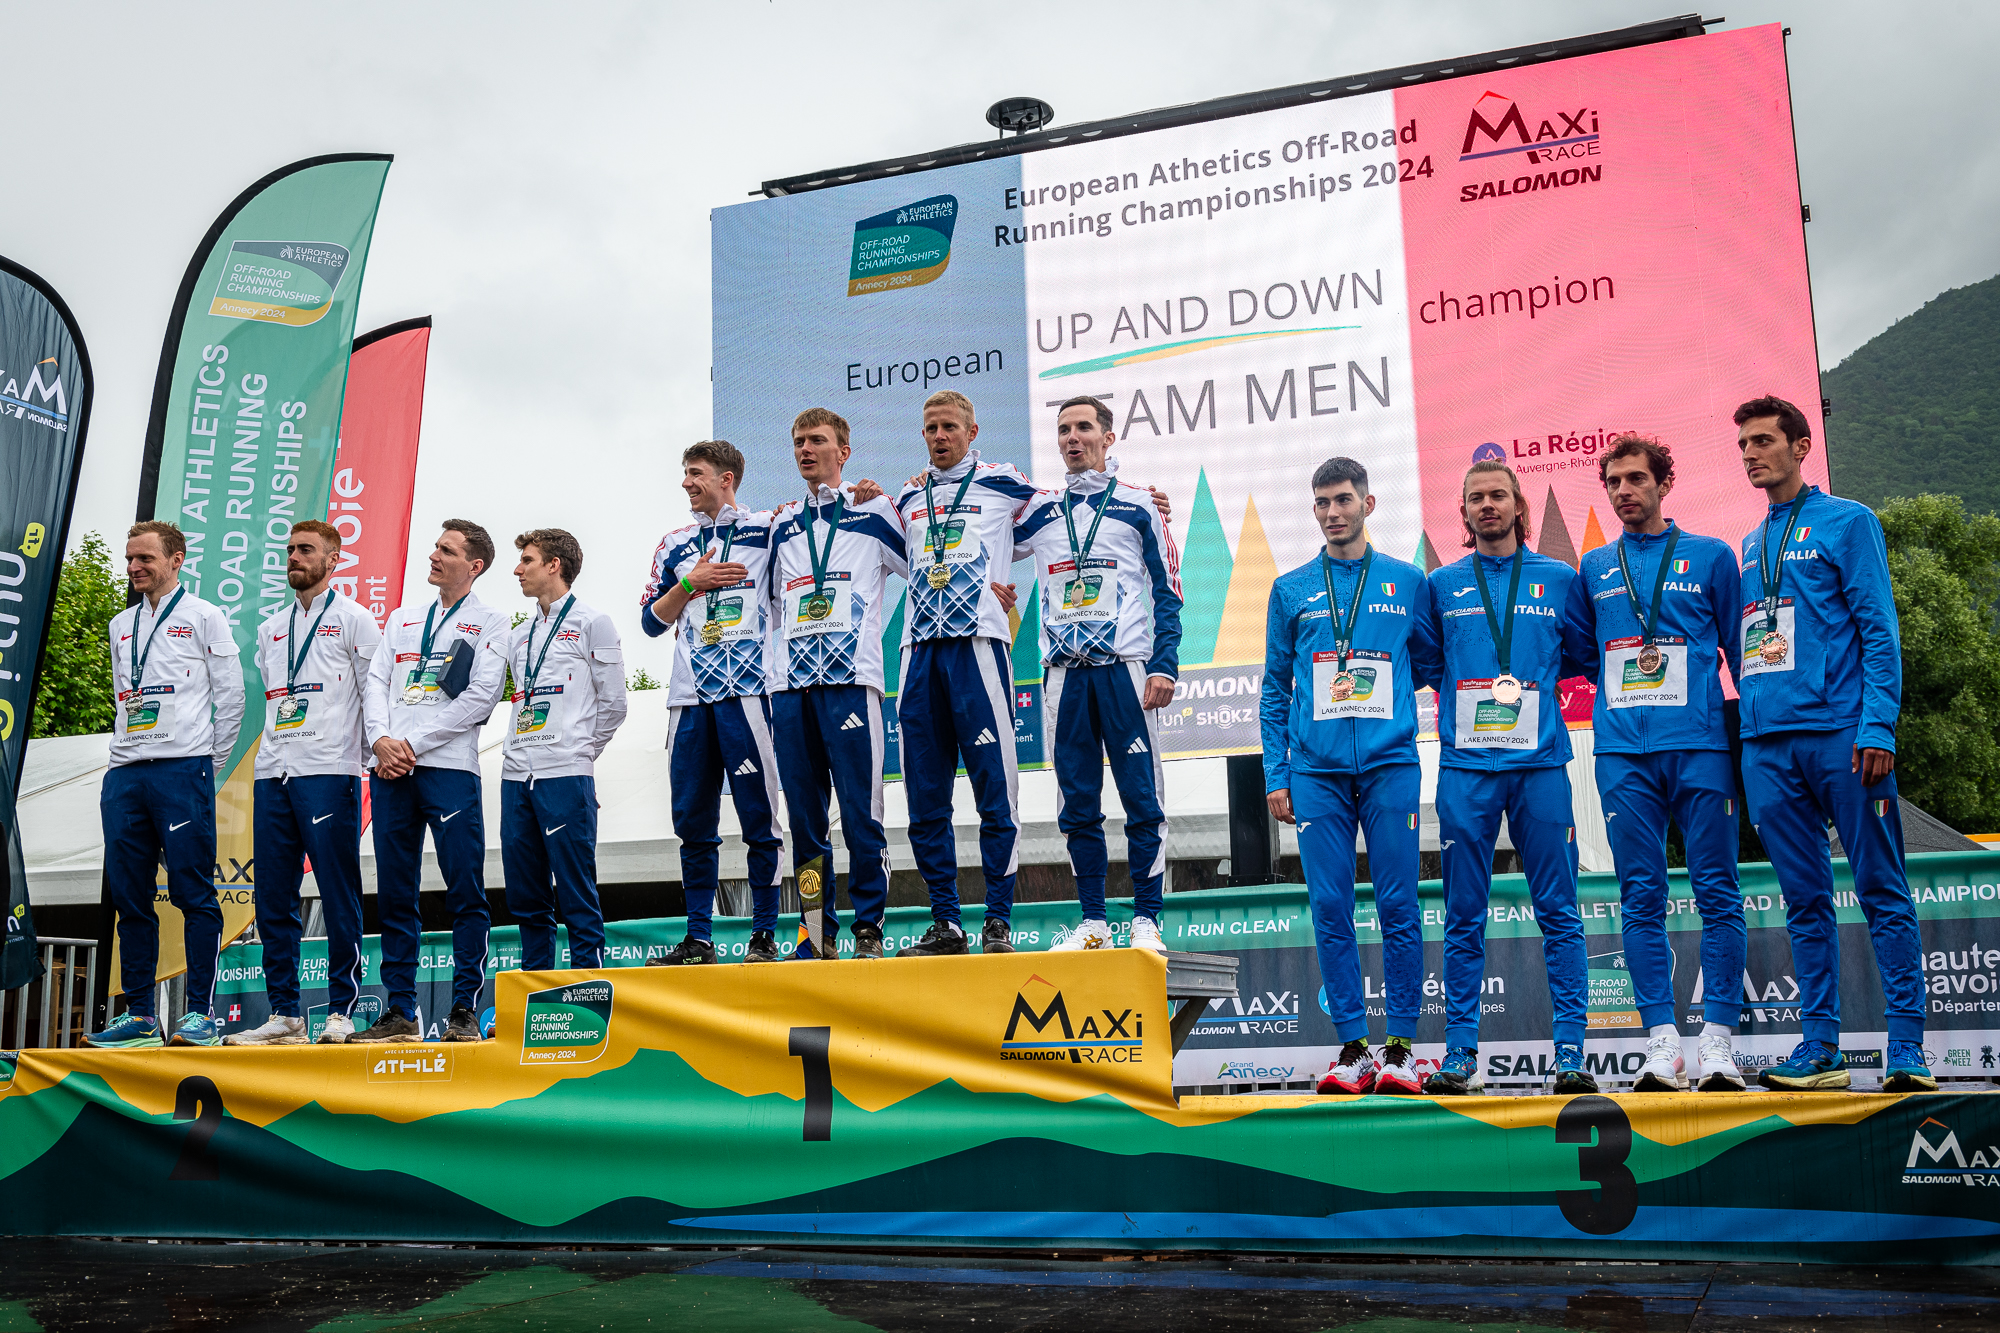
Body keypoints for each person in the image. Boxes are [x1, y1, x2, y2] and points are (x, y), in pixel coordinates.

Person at [1732, 395, 1932, 1091]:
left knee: (1880, 887)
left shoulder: (1849, 521)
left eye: (1763, 440)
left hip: (1843, 737)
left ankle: (1908, 1048)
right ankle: (1820, 1049)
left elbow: (1879, 628)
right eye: (1744, 445)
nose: (1751, 454)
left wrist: (1878, 724)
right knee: (1804, 900)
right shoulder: (1750, 543)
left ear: (1801, 446)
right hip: (1768, 746)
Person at [1561, 435, 1749, 1091]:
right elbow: (1584, 652)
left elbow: (1740, 649)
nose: (1623, 491)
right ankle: (1662, 1045)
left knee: (1718, 890)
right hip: (1623, 754)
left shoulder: (1713, 556)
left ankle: (1718, 1043)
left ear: (1664, 483)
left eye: (1636, 478)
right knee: (1640, 894)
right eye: (1613, 481)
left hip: (1700, 748)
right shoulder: (1593, 567)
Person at [1261, 458, 1439, 1095]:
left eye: (1342, 500)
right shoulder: (1290, 589)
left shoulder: (1407, 581)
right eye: (1322, 503)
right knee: (1331, 906)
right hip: (1316, 773)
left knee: (1398, 905)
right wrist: (1277, 773)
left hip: (1390, 765)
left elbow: (1427, 662)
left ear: (1368, 503)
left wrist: (1382, 705)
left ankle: (1401, 1049)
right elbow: (1274, 689)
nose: (1333, 512)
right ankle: (1354, 1049)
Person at [1423, 461, 1594, 1096]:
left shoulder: (1561, 579)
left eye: (1498, 495)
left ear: (1519, 506)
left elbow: (1579, 654)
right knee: (1463, 914)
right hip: (1466, 770)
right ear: (1464, 512)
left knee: (1560, 911)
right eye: (1476, 498)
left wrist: (1531, 683)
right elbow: (1430, 661)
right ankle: (1460, 1054)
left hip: (1540, 768)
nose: (1487, 505)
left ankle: (1570, 1053)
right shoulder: (1440, 586)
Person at [1011, 395, 1182, 955]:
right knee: (1076, 803)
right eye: (1063, 429)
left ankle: (1147, 919)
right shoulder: (1040, 510)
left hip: (1124, 672)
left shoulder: (1139, 504)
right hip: (1064, 676)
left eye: (1083, 427)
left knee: (1142, 798)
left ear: (1108, 438)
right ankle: (1093, 922)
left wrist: (1164, 665)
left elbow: (1168, 591)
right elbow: (983, 529)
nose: (1072, 438)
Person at [892, 390, 1041, 957]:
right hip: (918, 652)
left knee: (995, 791)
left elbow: (1065, 518)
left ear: (972, 432)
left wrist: (1142, 493)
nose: (939, 436)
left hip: (978, 648)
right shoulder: (909, 495)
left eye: (950, 427)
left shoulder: (1003, 481)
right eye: (931, 428)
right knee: (925, 798)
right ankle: (946, 924)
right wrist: (867, 493)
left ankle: (998, 920)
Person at [85, 520, 244, 1048]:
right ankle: (139, 1015)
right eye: (130, 559)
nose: (134, 567)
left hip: (182, 770)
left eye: (145, 559)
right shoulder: (120, 623)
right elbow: (122, 694)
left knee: (192, 893)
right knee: (130, 896)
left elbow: (232, 697)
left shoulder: (205, 615)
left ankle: (200, 1014)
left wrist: (205, 765)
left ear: (176, 560)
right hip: (125, 772)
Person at [225, 521, 381, 1046]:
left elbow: (373, 694)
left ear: (333, 560)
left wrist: (368, 758)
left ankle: (341, 1009)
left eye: (306, 549)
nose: (293, 556)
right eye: (290, 549)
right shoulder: (271, 628)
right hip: (274, 771)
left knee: (337, 892)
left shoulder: (356, 620)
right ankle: (285, 1014)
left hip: (330, 769)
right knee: (273, 896)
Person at [359, 521, 510, 1043]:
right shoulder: (402, 618)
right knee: (395, 894)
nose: (434, 555)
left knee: (464, 889)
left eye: (447, 550)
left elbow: (482, 698)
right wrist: (380, 740)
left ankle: (463, 1009)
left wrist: (411, 745)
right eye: (436, 546)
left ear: (474, 565)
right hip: (391, 771)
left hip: (448, 769)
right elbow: (375, 683)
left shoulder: (493, 622)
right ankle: (400, 1011)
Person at [766, 409, 909, 959]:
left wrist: (892, 496)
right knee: (804, 824)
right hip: (791, 689)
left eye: (817, 441)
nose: (805, 449)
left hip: (852, 682)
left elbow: (919, 564)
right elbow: (769, 602)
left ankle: (868, 928)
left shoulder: (873, 512)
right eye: (799, 441)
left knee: (860, 814)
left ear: (843, 452)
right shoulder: (782, 524)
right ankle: (814, 932)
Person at [640, 441, 786, 965]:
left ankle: (764, 935)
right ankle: (699, 939)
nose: (686, 482)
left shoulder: (767, 529)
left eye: (696, 473)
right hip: (689, 700)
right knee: (693, 824)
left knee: (760, 820)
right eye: (685, 473)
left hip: (748, 695)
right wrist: (689, 583)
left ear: (727, 478)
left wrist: (860, 492)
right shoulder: (675, 543)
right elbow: (650, 622)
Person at [499, 529, 628, 972]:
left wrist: (578, 752)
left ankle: (586, 984)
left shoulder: (594, 622)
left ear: (554, 565)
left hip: (566, 773)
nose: (517, 570)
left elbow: (615, 704)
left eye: (527, 560)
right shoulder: (518, 635)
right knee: (524, 892)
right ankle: (536, 982)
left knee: (575, 889)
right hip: (516, 775)